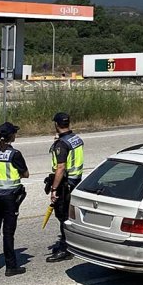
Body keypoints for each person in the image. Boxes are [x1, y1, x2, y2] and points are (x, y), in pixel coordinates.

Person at [0, 122, 29, 276]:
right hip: (9, 197)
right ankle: (11, 267)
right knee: (8, 232)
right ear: (11, 136)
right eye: (14, 133)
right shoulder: (14, 154)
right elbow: (25, 174)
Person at [46, 112, 84, 262]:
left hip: (65, 184)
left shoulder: (62, 144)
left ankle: (65, 249)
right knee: (68, 215)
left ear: (56, 124)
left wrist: (54, 189)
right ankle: (68, 243)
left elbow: (61, 167)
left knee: (63, 216)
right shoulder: (76, 138)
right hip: (76, 180)